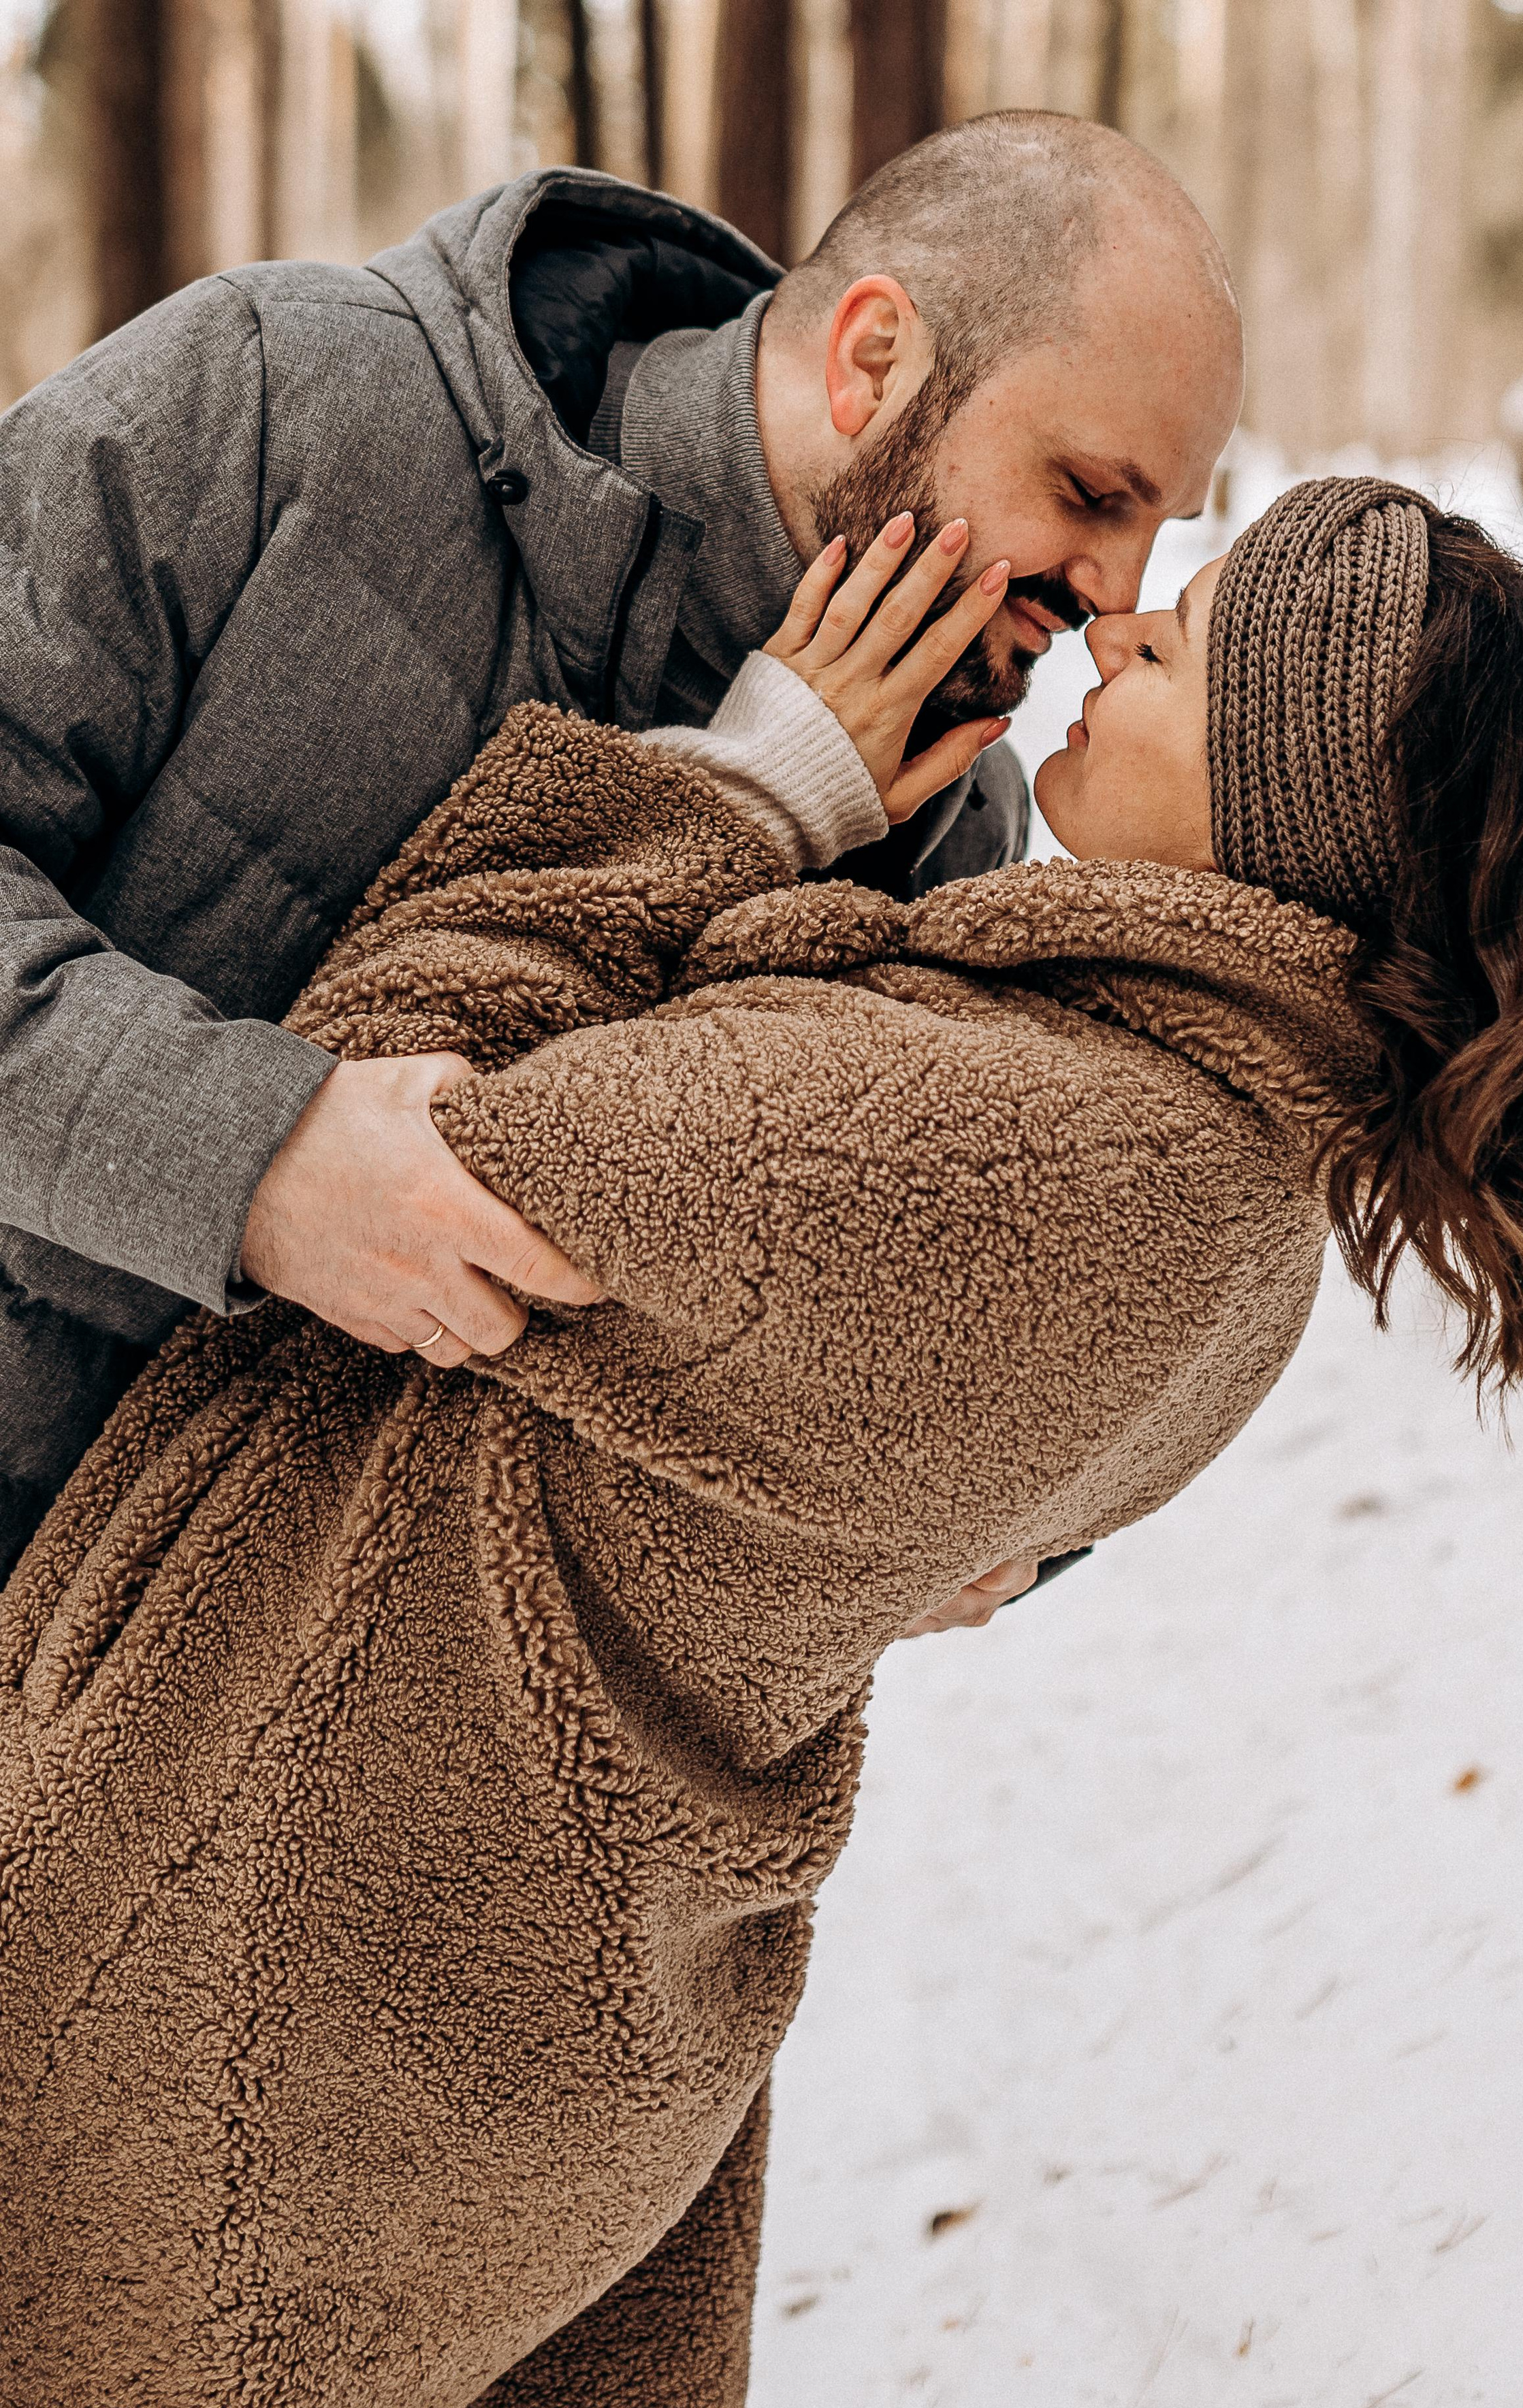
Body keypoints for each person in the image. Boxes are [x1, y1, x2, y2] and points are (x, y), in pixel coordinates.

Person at [3, 476, 1523, 2408]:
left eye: (1180, 655)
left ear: (1291, 798)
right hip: (504, 1967)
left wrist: (746, 790)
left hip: (304, 1940)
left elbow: (379, 1114)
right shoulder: (1224, 1191)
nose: (1112, 646)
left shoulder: (1025, 1150)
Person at [0, 110, 1242, 1580]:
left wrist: (979, 1534)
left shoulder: (952, 834)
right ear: (871, 362)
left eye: (1158, 527)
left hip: (259, 1765)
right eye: (1090, 495)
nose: (1113, 592)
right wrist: (256, 1161)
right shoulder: (284, 398)